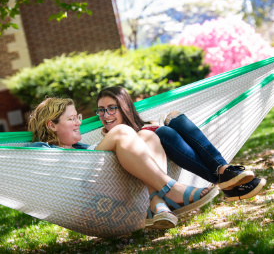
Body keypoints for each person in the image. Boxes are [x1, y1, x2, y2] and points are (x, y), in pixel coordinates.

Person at [25, 97, 218, 230]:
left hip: (115, 182)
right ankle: (171, 189)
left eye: (78, 117)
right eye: (72, 118)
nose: (78, 122)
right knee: (120, 131)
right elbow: (40, 167)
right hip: (90, 190)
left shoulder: (81, 147)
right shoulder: (42, 151)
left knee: (147, 136)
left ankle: (156, 201)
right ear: (52, 125)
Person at [95, 87, 266, 212]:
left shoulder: (148, 127)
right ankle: (224, 174)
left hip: (174, 150)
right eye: (101, 110)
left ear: (125, 108)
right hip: (155, 165)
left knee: (174, 117)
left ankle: (223, 170)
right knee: (162, 131)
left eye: (111, 108)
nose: (106, 115)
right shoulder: (114, 141)